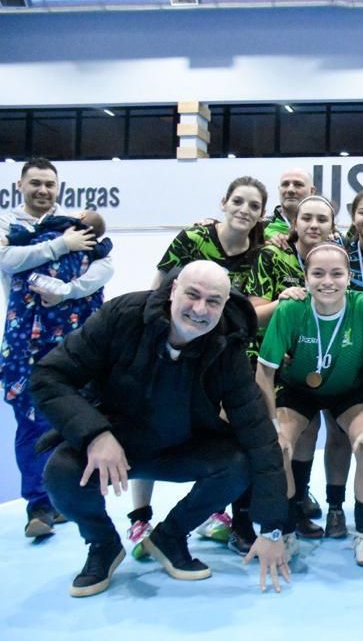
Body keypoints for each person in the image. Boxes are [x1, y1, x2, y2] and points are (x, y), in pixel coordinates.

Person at [31, 261, 290, 597]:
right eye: (192, 295)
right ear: (173, 289)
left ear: (224, 305)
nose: (200, 309)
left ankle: (169, 537)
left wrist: (270, 530)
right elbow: (48, 376)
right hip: (117, 445)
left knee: (238, 463)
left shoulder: (228, 345)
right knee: (62, 472)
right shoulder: (122, 316)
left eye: (213, 301)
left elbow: (258, 433)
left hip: (181, 446)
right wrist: (95, 433)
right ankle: (103, 544)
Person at [129, 176, 268, 556]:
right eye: (238, 201)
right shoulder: (192, 240)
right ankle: (140, 518)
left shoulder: (262, 252)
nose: (244, 210)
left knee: (221, 432)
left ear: (261, 215)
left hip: (220, 361)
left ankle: (212, 512)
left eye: (254, 206)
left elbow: (252, 309)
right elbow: (157, 288)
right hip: (175, 350)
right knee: (147, 425)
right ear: (223, 202)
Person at [255, 242, 363, 567]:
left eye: (337, 273)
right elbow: (264, 372)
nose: (328, 281)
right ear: (305, 278)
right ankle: (288, 531)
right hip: (298, 391)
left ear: (349, 276)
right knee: (278, 448)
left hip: (349, 392)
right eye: (318, 273)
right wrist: (273, 426)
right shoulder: (290, 310)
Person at [0, 157, 114, 540]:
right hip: (24, 343)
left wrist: (68, 290)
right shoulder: (8, 226)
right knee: (31, 423)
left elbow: (105, 266)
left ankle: (75, 496)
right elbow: (6, 259)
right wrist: (59, 246)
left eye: (49, 183)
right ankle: (39, 506)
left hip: (75, 341)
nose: (43, 190)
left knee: (81, 417)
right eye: (35, 183)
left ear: (58, 187)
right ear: (21, 186)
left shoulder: (76, 225)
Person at [248, 194, 350, 543]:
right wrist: (283, 303)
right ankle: (288, 508)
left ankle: (326, 505)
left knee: (338, 432)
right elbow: (255, 313)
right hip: (286, 366)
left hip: (337, 364)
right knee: (296, 436)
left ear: (333, 227)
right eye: (307, 218)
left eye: (322, 219)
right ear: (294, 223)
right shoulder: (271, 255)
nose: (314, 225)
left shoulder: (342, 257)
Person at [265, 169, 315, 237]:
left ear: (312, 191)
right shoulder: (261, 229)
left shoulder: (325, 230)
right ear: (279, 190)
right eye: (285, 184)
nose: (290, 190)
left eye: (298, 184)